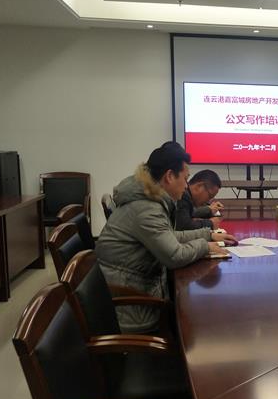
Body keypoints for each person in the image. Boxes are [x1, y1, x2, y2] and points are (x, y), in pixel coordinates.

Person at [96, 142, 235, 334]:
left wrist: (207, 234)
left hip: (131, 290)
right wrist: (206, 246)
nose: (186, 186)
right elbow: (174, 256)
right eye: (185, 179)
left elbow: (168, 236)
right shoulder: (146, 208)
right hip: (132, 309)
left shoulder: (147, 199)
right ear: (169, 176)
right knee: (200, 322)